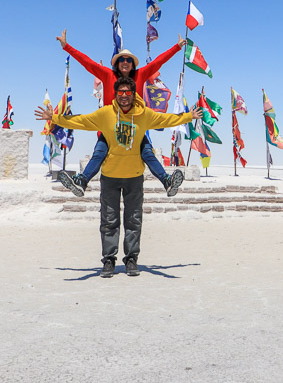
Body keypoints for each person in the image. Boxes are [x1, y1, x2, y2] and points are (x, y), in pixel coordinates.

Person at [35, 77, 203, 278]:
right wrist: (54, 118)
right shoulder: (106, 114)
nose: (124, 96)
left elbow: (166, 119)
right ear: (116, 94)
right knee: (109, 220)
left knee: (133, 220)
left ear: (133, 94)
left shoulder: (144, 115)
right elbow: (81, 121)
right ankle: (108, 261)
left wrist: (187, 116)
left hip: (134, 176)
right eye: (120, 92)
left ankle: (131, 260)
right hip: (110, 176)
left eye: (128, 92)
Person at [57, 29, 185, 198]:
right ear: (117, 63)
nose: (125, 62)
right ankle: (82, 182)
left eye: (129, 60)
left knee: (147, 152)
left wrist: (177, 47)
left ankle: (167, 182)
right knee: (99, 152)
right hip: (111, 125)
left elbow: (158, 62)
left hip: (135, 125)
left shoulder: (141, 74)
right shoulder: (107, 74)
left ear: (133, 64)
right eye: (122, 59)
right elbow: (87, 63)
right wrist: (67, 47)